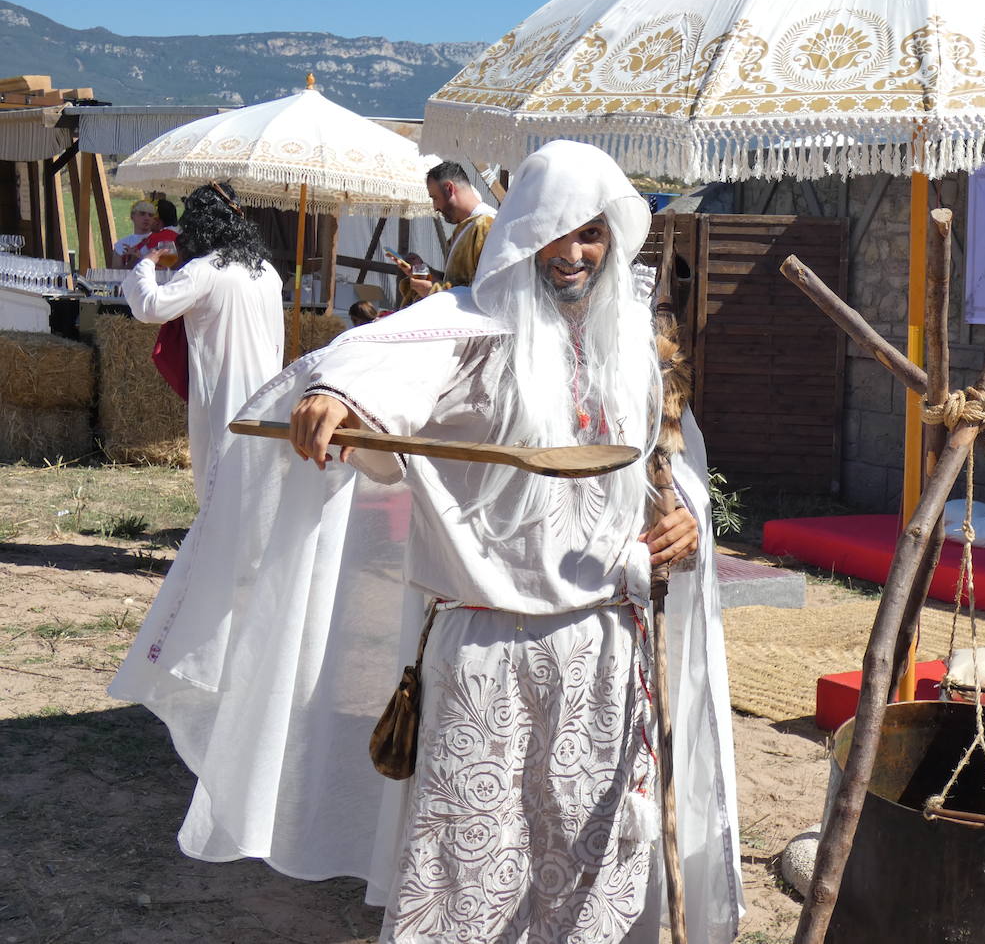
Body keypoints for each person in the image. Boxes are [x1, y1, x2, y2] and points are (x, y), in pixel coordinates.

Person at [108, 142, 743, 944]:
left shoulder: (633, 349)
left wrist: (683, 522)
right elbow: (373, 361)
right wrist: (336, 399)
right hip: (487, 652)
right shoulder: (469, 329)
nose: (575, 253)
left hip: (607, 649)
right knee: (465, 871)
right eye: (558, 231)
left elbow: (662, 467)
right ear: (524, 233)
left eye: (592, 233)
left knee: (592, 862)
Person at [122, 182, 285, 504]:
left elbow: (151, 307)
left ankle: (219, 530)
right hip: (266, 383)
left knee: (220, 464)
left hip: (222, 383)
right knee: (256, 468)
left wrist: (146, 264)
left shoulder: (204, 270)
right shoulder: (266, 270)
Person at [401, 161, 496, 301]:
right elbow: (455, 281)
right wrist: (426, 272)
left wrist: (432, 291)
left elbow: (488, 294)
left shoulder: (486, 225)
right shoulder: (468, 227)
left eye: (435, 198)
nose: (435, 207)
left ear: (449, 188)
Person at [112, 199, 157, 265]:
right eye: (142, 213)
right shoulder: (121, 244)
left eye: (150, 215)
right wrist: (132, 261)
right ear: (132, 216)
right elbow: (115, 271)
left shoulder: (161, 242)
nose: (147, 218)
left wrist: (140, 259)